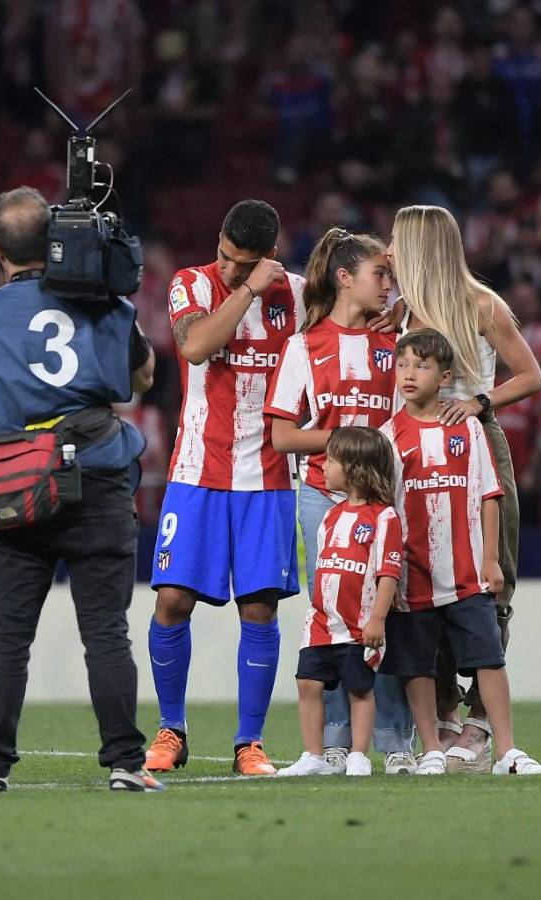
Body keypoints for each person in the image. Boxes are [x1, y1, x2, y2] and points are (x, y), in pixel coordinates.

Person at [0, 187, 159, 793]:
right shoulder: (105, 304)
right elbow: (142, 377)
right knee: (104, 629)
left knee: (7, 631)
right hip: (96, 472)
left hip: (16, 484)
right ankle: (126, 763)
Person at [146, 199, 305, 776]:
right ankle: (171, 729)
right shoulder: (192, 284)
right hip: (196, 472)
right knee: (171, 600)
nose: (230, 269)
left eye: (244, 264)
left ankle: (249, 744)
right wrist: (244, 290)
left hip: (268, 477)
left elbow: (359, 313)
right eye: (226, 257)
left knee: (259, 608)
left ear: (271, 255)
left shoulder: (302, 296)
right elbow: (193, 347)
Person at [387, 204, 541, 773]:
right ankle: (447, 713)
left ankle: (481, 719)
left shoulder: (481, 304)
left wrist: (479, 403)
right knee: (426, 578)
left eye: (398, 242)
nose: (389, 252)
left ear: (421, 248)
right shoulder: (400, 312)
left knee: (487, 578)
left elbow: (531, 375)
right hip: (414, 447)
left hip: (475, 442)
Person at [264, 228, 416, 775]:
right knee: (330, 613)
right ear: (344, 278)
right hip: (321, 497)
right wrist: (350, 448)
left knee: (387, 612)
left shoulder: (395, 348)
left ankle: (396, 741)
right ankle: (330, 744)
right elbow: (282, 435)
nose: (388, 286)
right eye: (381, 275)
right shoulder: (304, 345)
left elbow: (404, 423)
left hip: (384, 501)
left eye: (391, 277)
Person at [276, 426, 403, 778]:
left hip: (357, 625)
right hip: (321, 623)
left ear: (356, 469)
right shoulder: (331, 517)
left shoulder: (383, 517)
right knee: (308, 683)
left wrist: (377, 617)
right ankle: (313, 754)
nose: (323, 467)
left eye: (330, 461)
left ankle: (358, 754)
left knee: (360, 688)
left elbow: (388, 571)